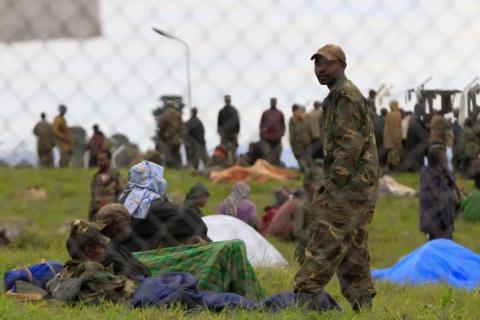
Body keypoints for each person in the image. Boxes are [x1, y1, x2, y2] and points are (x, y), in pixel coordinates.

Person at [294, 44, 379, 312]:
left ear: (342, 64)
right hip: (357, 187)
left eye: (326, 64)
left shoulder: (346, 96)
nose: (320, 69)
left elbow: (349, 148)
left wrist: (330, 189)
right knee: (353, 250)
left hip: (348, 187)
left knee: (322, 241)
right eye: (316, 64)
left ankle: (303, 304)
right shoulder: (336, 96)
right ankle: (363, 308)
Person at [95, 204, 265, 300]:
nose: (105, 234)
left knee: (230, 249)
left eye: (107, 229)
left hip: (162, 270)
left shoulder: (141, 226)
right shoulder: (106, 251)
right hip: (155, 279)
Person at [120, 161, 210, 251]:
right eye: (158, 176)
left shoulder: (125, 201)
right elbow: (194, 219)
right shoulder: (149, 201)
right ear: (153, 178)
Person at [419, 144, 461, 240]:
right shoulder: (427, 173)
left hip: (445, 215)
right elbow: (436, 194)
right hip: (435, 218)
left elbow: (452, 184)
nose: (445, 158)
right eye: (442, 156)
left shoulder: (443, 170)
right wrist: (452, 195)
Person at [88, 150, 125, 221]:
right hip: (96, 212)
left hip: (111, 213)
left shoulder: (117, 176)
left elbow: (122, 193)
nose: (99, 162)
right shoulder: (96, 177)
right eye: (98, 160)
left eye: (102, 160)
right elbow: (93, 195)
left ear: (109, 160)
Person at [259, 98, 286, 166]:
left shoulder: (280, 113)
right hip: (267, 139)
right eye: (272, 102)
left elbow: (283, 125)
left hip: (277, 138)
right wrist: (263, 133)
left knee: (277, 155)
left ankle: (276, 171)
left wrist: (281, 134)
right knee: (267, 156)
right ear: (270, 103)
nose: (273, 103)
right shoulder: (265, 113)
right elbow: (261, 125)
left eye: (274, 102)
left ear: (276, 103)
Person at [403, 104, 428, 171]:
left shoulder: (416, 117)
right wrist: (425, 135)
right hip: (415, 143)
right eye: (422, 109)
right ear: (418, 109)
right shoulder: (415, 118)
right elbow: (420, 134)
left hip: (414, 143)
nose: (424, 111)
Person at [157, 101, 183, 168]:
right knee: (176, 153)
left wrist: (161, 135)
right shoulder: (178, 114)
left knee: (168, 154)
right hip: (177, 137)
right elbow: (181, 126)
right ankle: (178, 167)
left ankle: (169, 166)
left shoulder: (164, 115)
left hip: (167, 138)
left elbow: (160, 126)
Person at [289, 104, 314, 173]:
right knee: (307, 157)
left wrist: (291, 143)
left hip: (299, 142)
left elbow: (292, 133)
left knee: (300, 157)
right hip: (306, 141)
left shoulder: (293, 119)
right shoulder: (305, 117)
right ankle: (310, 171)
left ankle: (307, 171)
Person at [217, 95, 240, 164]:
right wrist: (220, 132)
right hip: (225, 134)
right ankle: (224, 164)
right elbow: (219, 123)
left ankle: (234, 164)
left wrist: (236, 132)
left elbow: (237, 122)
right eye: (226, 100)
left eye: (228, 100)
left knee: (233, 150)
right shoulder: (222, 111)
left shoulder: (234, 111)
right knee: (224, 150)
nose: (227, 101)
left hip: (232, 133)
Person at [383, 100, 403, 171]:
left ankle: (388, 169)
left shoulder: (388, 114)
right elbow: (397, 128)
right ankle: (394, 169)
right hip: (394, 140)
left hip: (388, 140)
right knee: (395, 157)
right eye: (397, 105)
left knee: (390, 156)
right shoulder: (397, 115)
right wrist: (398, 140)